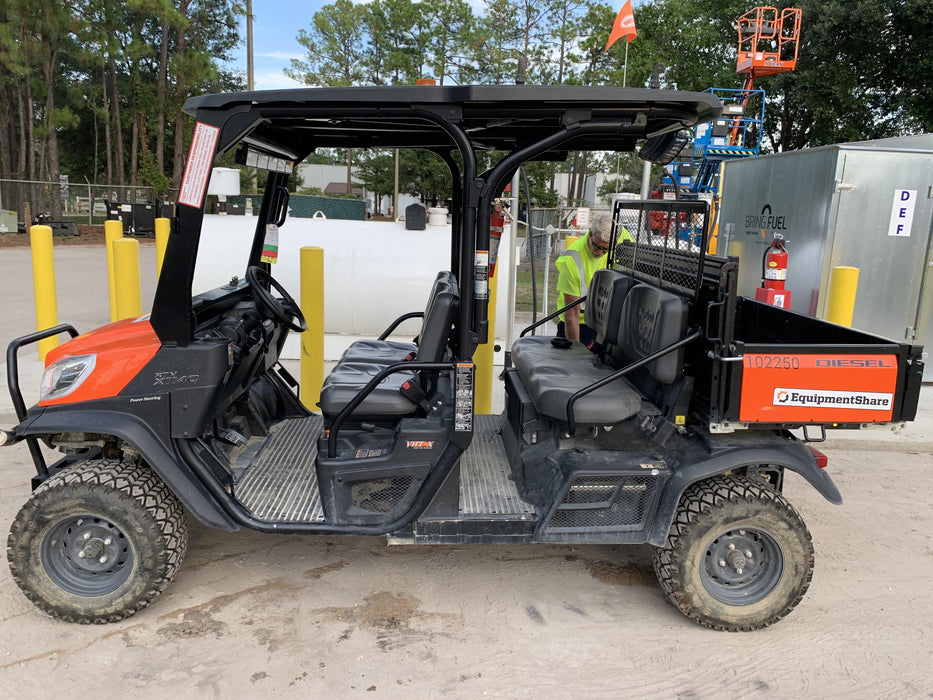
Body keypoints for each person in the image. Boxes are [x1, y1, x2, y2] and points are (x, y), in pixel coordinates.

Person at [555, 212, 632, 347]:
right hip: (579, 324)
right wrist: (576, 353)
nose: (599, 252)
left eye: (605, 249)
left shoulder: (622, 238)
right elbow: (571, 313)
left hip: (607, 321)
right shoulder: (572, 259)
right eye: (596, 246)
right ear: (590, 234)